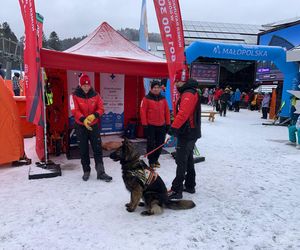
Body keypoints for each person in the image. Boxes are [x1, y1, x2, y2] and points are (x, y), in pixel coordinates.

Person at [70, 74, 112, 182]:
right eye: (84, 85)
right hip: (81, 126)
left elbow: (101, 108)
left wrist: (95, 115)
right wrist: (83, 119)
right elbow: (74, 110)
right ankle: (86, 171)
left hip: (94, 125)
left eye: (88, 85)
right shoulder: (74, 95)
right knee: (83, 149)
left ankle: (101, 172)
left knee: (97, 149)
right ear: (80, 85)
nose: (86, 87)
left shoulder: (96, 94)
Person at [167, 75, 201, 199]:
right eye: (175, 81)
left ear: (184, 82)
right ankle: (190, 185)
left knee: (181, 161)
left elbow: (183, 114)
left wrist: (173, 128)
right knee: (188, 159)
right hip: (190, 132)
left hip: (187, 132)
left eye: (178, 81)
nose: (176, 83)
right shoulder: (188, 92)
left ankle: (176, 190)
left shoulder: (188, 93)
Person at [140, 80, 170, 168]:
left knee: (160, 144)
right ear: (151, 88)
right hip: (151, 126)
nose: (156, 89)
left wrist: (168, 124)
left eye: (158, 87)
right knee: (151, 144)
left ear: (160, 89)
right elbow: (142, 112)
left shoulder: (163, 99)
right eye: (154, 88)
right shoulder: (146, 98)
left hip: (161, 125)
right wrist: (144, 124)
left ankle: (156, 159)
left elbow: (167, 112)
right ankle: (151, 160)